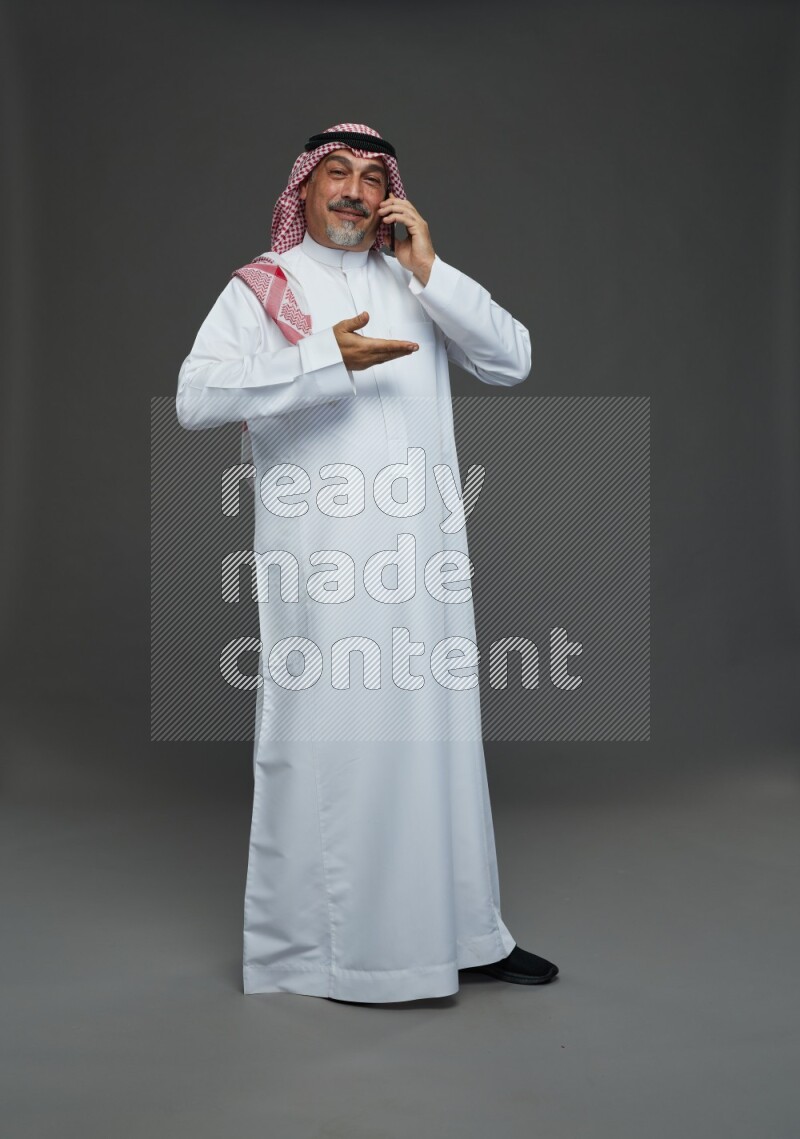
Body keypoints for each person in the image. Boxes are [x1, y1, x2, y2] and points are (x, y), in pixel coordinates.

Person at [176, 123, 558, 1002]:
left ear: (390, 195)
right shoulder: (266, 288)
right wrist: (322, 359)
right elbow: (198, 397)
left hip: (424, 563)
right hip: (326, 566)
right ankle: (336, 953)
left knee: (440, 745)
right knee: (339, 747)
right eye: (335, 174)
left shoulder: (413, 281)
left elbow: (512, 359)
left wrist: (429, 267)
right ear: (303, 189)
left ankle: (468, 933)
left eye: (369, 177)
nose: (351, 190)